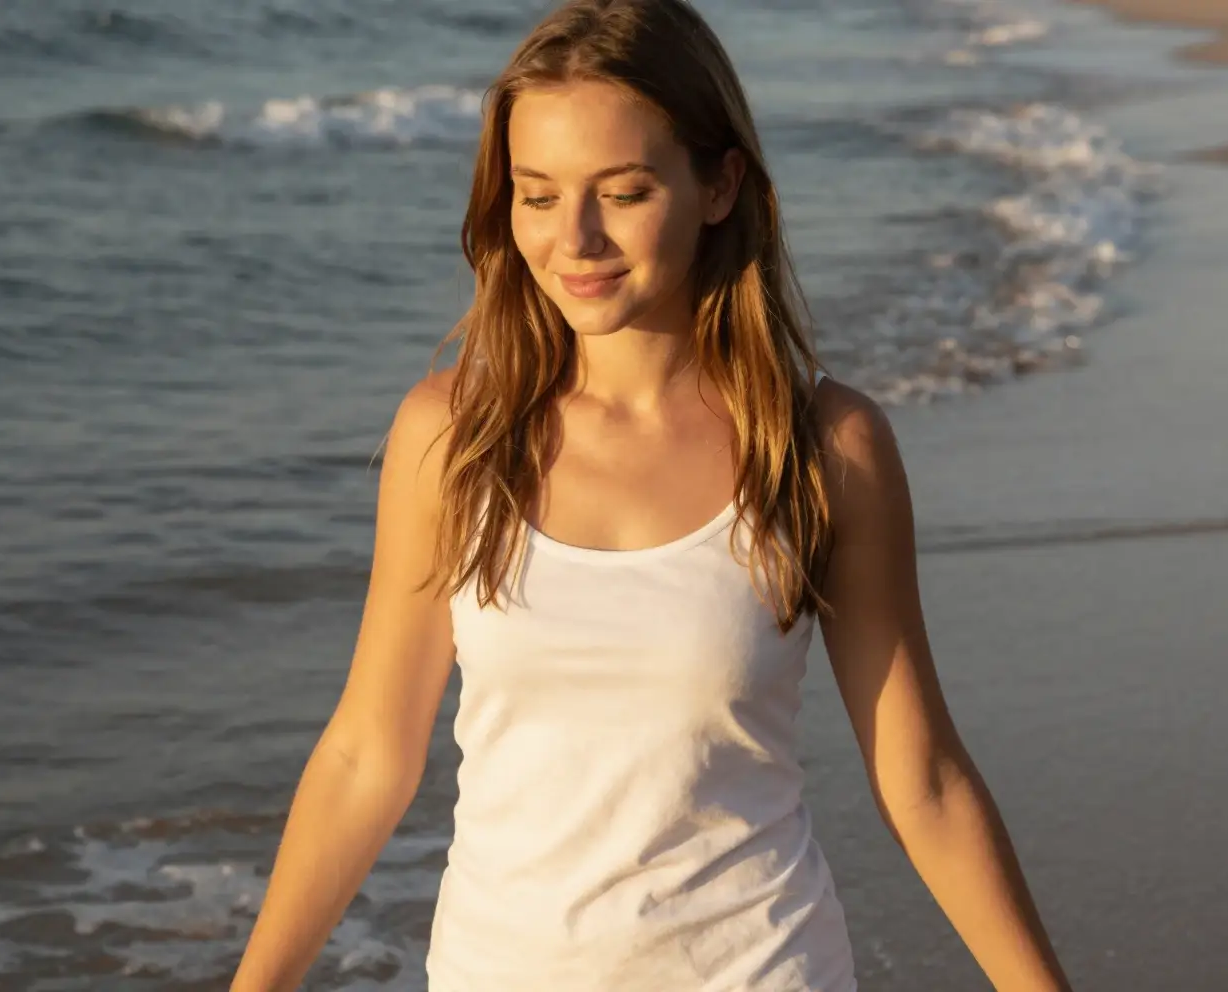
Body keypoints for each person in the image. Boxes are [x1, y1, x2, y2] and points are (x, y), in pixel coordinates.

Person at [228, 2, 1072, 989]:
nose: (574, 238)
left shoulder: (823, 446)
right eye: (537, 195)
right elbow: (369, 755)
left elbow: (921, 777)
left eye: (622, 191)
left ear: (719, 185)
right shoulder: (455, 435)